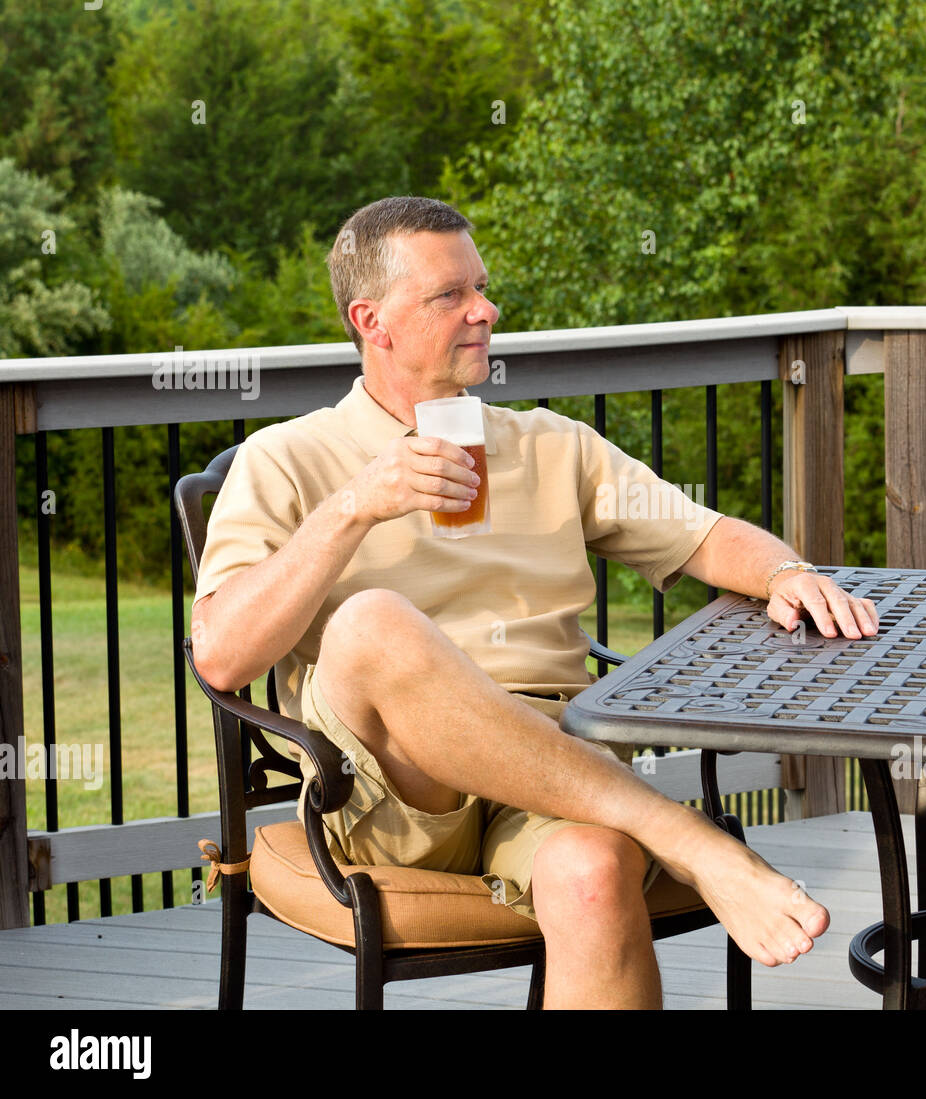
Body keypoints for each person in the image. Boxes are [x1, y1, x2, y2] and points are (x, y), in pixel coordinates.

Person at [190, 196, 880, 1009]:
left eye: (481, 288)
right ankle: (683, 834)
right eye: (451, 295)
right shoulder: (287, 459)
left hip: (555, 774)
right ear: (371, 320)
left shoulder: (554, 445)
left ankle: (651, 830)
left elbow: (705, 535)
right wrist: (353, 507)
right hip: (390, 793)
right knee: (373, 622)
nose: (486, 310)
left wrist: (785, 570)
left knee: (593, 872)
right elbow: (223, 654)